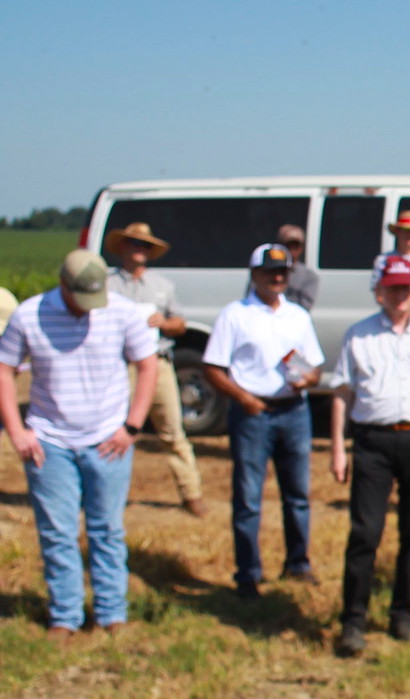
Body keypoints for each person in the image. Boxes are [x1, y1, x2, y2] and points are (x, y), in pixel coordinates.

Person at [0, 251, 158, 640]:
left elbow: (148, 364)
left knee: (107, 530)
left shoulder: (122, 312)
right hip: (49, 442)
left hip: (108, 440)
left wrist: (132, 426)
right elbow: (4, 369)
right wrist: (16, 431)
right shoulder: (28, 315)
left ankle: (111, 612)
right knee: (57, 532)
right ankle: (65, 615)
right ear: (63, 286)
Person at [328, 255, 410, 657]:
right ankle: (353, 621)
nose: (400, 294)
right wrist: (338, 447)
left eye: (407, 287)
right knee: (365, 534)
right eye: (393, 287)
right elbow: (341, 394)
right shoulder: (359, 335)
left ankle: (403, 614)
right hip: (374, 443)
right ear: (379, 291)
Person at [203, 244, 325, 598]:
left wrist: (309, 379)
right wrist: (244, 398)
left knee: (298, 495)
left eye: (283, 272)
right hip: (253, 413)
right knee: (249, 499)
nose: (276, 278)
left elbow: (314, 366)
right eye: (270, 272)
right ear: (254, 274)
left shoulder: (298, 316)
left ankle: (298, 563)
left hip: (293, 411)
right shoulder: (235, 315)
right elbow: (213, 367)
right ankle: (248, 573)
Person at [104, 222, 207, 517]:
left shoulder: (162, 286)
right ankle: (110, 495)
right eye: (135, 244)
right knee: (115, 431)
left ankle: (191, 494)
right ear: (122, 247)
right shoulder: (109, 285)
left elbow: (181, 324)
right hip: (120, 365)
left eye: (145, 246)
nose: (140, 250)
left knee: (173, 431)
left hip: (158, 362)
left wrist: (164, 322)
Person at [278, 224, 321, 310]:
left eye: (296, 246)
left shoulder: (309, 276)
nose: (292, 249)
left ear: (301, 248)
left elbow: (304, 307)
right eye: (288, 245)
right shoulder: (263, 272)